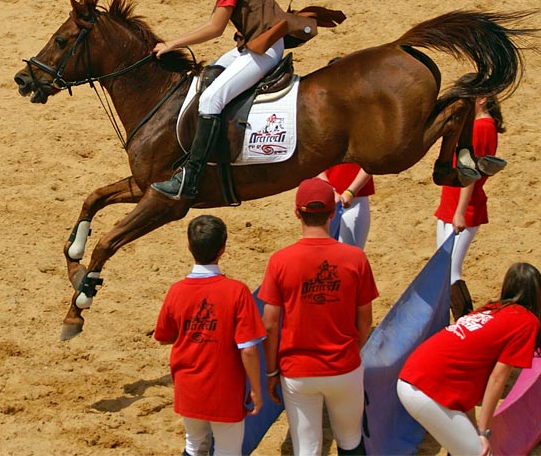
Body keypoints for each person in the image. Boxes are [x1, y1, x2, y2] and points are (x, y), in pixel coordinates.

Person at [152, 0, 341, 200]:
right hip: (251, 46)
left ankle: (190, 179)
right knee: (209, 75)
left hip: (263, 51)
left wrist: (171, 43)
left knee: (211, 99)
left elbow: (215, 28)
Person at [259, 178, 379, 456]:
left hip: (298, 371)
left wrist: (271, 371)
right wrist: (352, 353)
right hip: (343, 366)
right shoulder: (355, 258)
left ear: (297, 212)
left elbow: (270, 323)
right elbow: (365, 321)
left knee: (307, 449)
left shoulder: (280, 261)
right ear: (332, 213)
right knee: (350, 441)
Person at [397, 262, 541, 456]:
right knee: (479, 453)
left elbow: (468, 379)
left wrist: (473, 429)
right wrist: (482, 432)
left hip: (415, 375)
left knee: (465, 448)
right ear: (538, 294)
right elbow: (497, 380)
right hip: (426, 388)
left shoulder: (488, 309)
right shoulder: (526, 321)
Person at [154, 215, 266, 456]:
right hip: (225, 389)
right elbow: (248, 349)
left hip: (189, 387)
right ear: (223, 249)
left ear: (188, 246)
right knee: (227, 450)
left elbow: (163, 336)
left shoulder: (176, 291)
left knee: (194, 445)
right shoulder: (237, 292)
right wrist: (256, 388)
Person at [434, 79, 506, 321]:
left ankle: (465, 324)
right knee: (442, 271)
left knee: (450, 272)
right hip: (452, 202)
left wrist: (459, 212)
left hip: (461, 207)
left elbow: (471, 174)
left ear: (481, 99)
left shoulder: (482, 128)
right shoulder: (476, 125)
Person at [318, 163, 375, 249]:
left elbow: (372, 161)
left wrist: (351, 192)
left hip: (356, 198)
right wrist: (329, 189)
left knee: (351, 256)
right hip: (324, 197)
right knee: (321, 255)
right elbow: (312, 160)